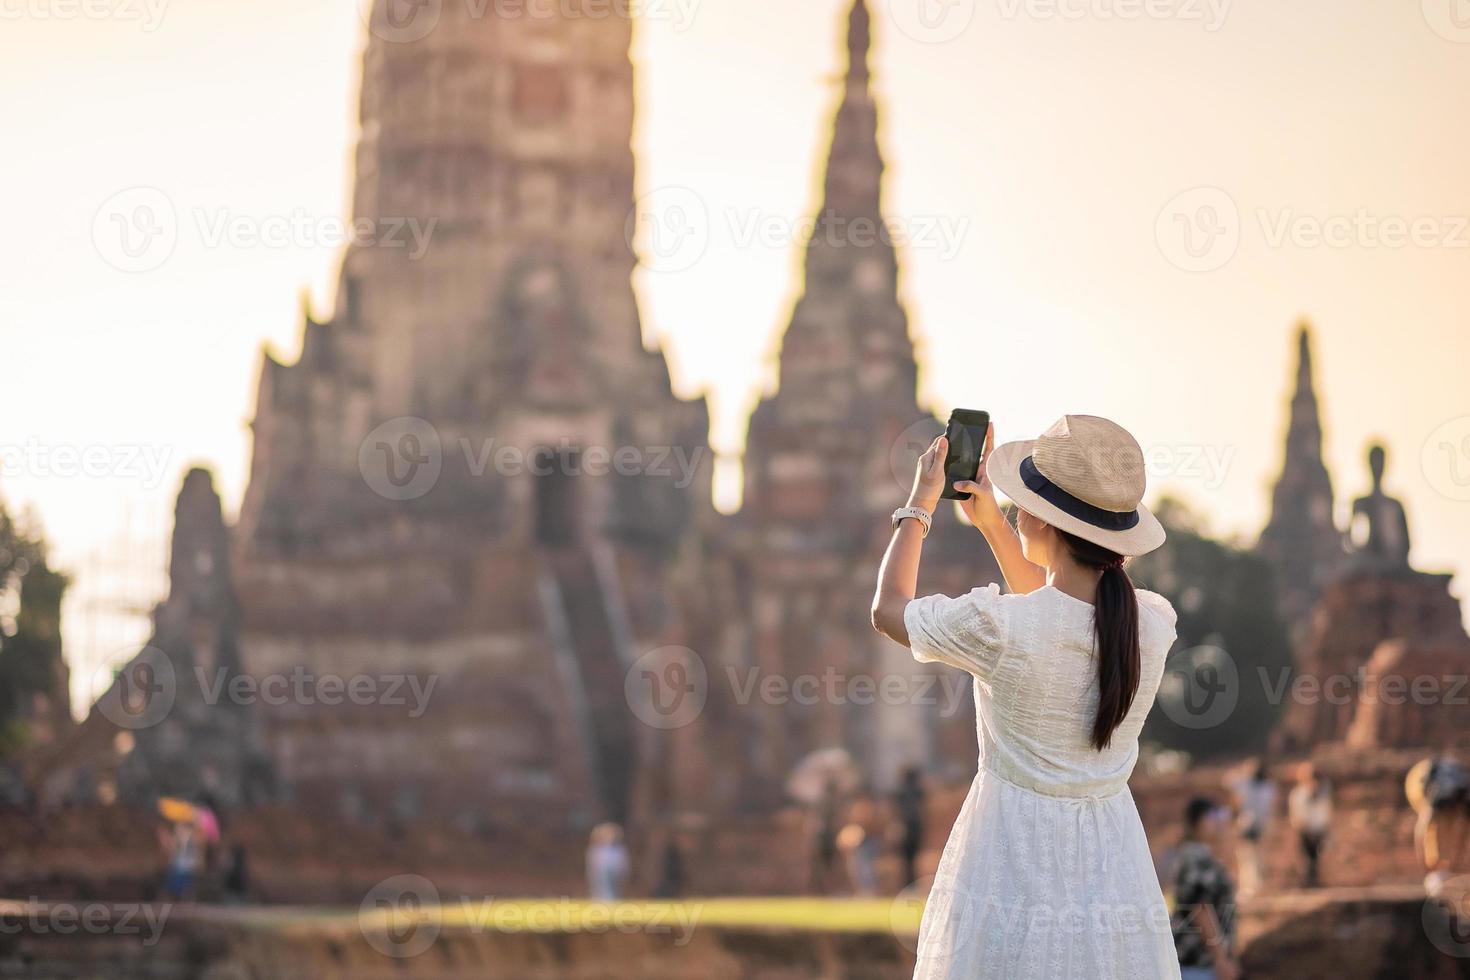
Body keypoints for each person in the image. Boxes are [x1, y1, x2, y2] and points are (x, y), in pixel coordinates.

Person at [871, 415, 1181, 978]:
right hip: (1114, 860)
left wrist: (919, 502)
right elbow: (1056, 616)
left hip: (1009, 853)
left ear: (1043, 521)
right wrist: (993, 525)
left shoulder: (1000, 627)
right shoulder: (1153, 626)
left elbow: (888, 610)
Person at [1171, 798, 1241, 980]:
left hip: (1205, 961)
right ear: (1197, 822)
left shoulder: (1206, 856)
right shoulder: (1194, 858)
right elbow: (1199, 908)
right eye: (1210, 816)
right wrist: (1220, 959)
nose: (1217, 822)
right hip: (1197, 961)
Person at [1406, 755, 1470, 896]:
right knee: (1436, 827)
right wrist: (1427, 870)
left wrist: (1453, 867)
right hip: (1426, 782)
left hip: (1446, 783)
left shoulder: (1464, 800)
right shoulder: (1439, 796)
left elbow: (1463, 833)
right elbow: (1422, 831)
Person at [1227, 759, 1276, 897]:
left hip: (1247, 824)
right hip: (1262, 825)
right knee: (1257, 855)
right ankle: (1258, 885)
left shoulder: (1245, 785)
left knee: (1247, 857)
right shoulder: (1268, 787)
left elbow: (1228, 780)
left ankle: (1250, 887)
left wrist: (1242, 772)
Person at [1287, 763, 1332, 888]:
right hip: (1305, 831)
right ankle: (1307, 882)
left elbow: (1325, 813)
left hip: (1317, 830)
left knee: (1315, 858)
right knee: (1306, 859)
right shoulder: (1298, 794)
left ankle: (1314, 881)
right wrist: (1302, 828)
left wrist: (1323, 829)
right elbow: (1297, 814)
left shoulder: (1323, 793)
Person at [893, 766, 927, 889]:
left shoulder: (901, 792)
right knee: (912, 858)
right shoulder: (918, 791)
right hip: (916, 827)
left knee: (907, 859)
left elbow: (896, 811)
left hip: (906, 827)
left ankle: (908, 883)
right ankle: (911, 883)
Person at [586, 823, 629, 901]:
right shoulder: (595, 850)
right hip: (600, 877)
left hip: (615, 876)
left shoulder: (619, 849)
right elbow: (593, 868)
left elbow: (623, 866)